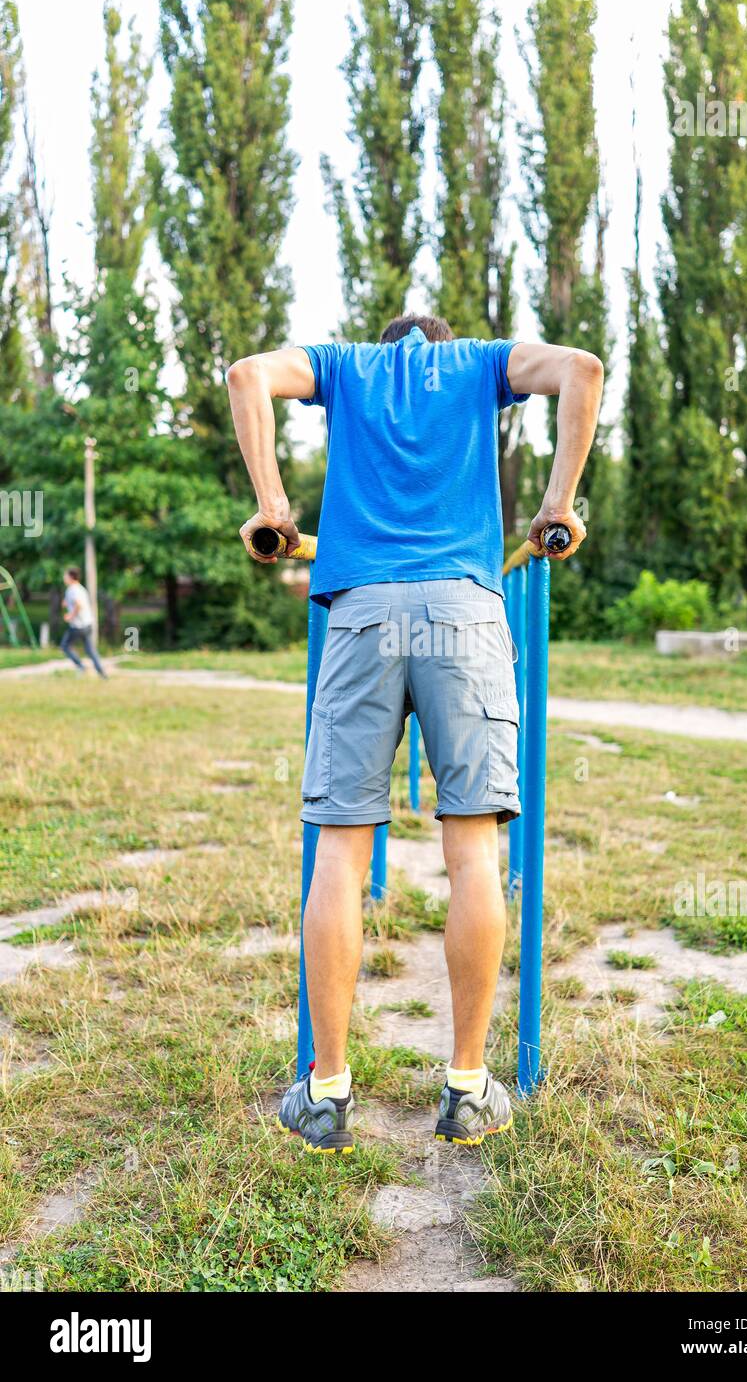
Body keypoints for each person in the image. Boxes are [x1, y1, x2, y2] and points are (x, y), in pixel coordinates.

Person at [227, 314, 603, 1153]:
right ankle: (467, 1089)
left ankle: (325, 1095)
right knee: (472, 851)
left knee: (340, 852)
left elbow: (247, 374)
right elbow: (582, 367)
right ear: (437, 339)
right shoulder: (478, 363)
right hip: (464, 613)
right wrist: (557, 507)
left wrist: (274, 508)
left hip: (362, 613)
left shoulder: (343, 365)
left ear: (391, 341)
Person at [60, 568, 108, 679]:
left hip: (78, 626)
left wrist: (70, 616)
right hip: (88, 624)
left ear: (71, 577)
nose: (64, 578)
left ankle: (80, 666)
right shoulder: (80, 588)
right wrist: (66, 603)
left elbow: (79, 605)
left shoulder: (72, 590)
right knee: (90, 650)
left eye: (65, 576)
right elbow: (72, 602)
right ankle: (101, 672)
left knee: (65, 646)